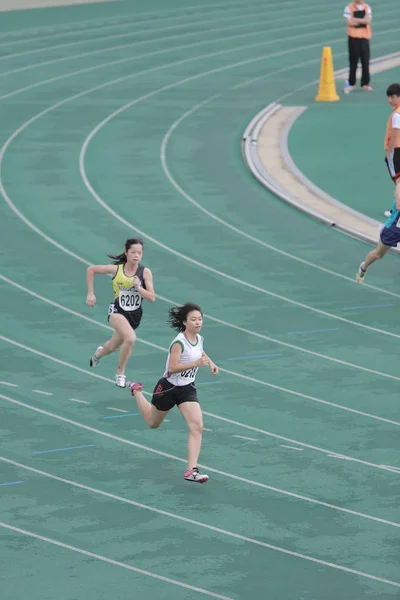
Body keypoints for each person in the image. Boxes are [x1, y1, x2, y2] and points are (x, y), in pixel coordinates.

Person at [128, 303, 218, 483]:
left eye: (200, 319)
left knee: (197, 426)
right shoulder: (178, 343)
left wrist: (211, 363)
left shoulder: (199, 339)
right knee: (153, 423)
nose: (198, 322)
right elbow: (172, 367)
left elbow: (200, 352)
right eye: (193, 319)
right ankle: (137, 391)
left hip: (187, 388)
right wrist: (196, 364)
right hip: (168, 388)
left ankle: (191, 470)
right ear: (185, 322)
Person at [86, 238, 155, 387]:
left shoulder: (145, 272)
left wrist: (139, 287)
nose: (137, 255)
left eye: (140, 253)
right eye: (133, 252)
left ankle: (98, 354)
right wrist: (90, 293)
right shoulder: (116, 269)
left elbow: (151, 298)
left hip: (134, 316)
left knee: (112, 347)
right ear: (126, 253)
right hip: (117, 311)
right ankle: (120, 373)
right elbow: (91, 270)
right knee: (130, 338)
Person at [356, 84, 400, 283]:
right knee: (378, 254)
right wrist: (390, 150)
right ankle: (363, 268)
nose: (389, 100)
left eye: (392, 97)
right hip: (395, 227)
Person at [343, 1, 373, 92]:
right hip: (353, 38)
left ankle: (365, 83)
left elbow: (368, 21)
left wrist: (355, 19)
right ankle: (351, 83)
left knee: (365, 61)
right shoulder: (349, 7)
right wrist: (362, 21)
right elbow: (349, 23)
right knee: (353, 62)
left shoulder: (367, 7)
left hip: (364, 38)